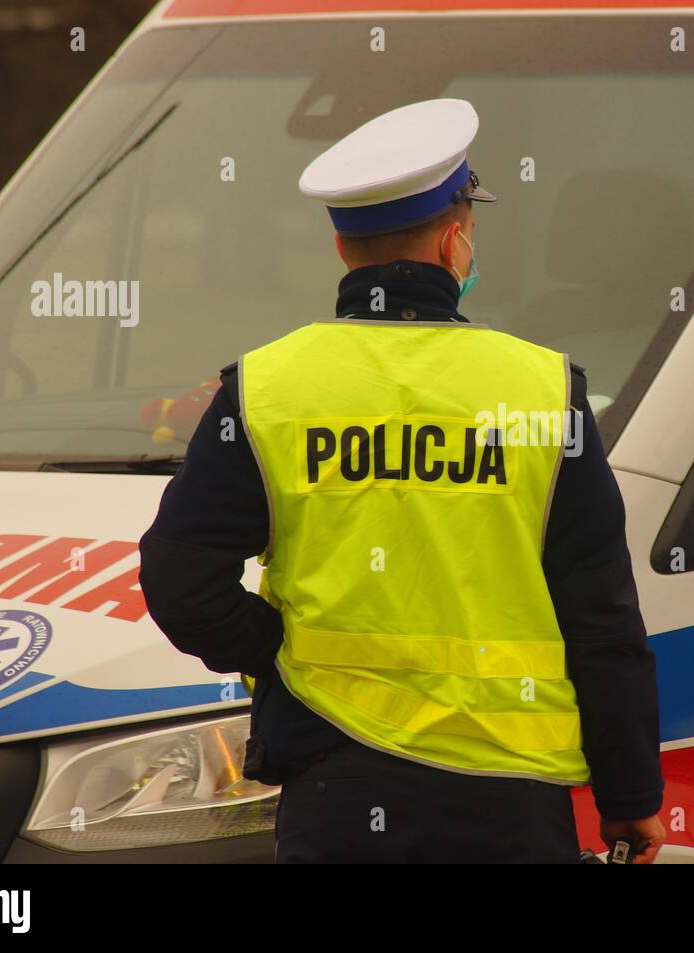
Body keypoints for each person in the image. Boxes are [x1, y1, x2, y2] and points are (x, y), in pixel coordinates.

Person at [138, 98, 665, 863]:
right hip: (510, 803)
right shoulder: (544, 391)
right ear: (455, 238)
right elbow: (603, 617)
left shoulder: (268, 388)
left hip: (336, 796)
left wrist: (279, 651)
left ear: (342, 247)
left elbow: (179, 576)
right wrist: (629, 798)